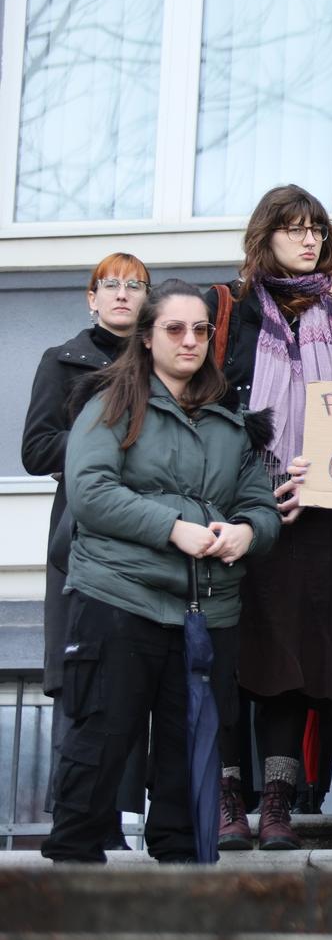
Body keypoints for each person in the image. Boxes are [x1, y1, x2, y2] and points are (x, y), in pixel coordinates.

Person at [40, 280, 281, 863]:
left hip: (207, 616)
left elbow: (261, 508)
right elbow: (91, 492)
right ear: (147, 337)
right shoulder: (110, 403)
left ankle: (179, 889)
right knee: (100, 744)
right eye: (175, 328)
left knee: (187, 758)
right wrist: (174, 527)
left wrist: (246, 533)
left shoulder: (234, 423)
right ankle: (66, 885)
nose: (190, 340)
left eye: (201, 329)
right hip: (119, 601)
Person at [206, 185, 332, 852]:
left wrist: (322, 477)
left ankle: (277, 801)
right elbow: (203, 408)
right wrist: (249, 486)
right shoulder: (229, 310)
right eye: (293, 229)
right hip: (234, 509)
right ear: (264, 235)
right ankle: (224, 795)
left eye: (316, 231)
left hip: (315, 514)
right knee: (222, 658)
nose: (307, 241)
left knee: (292, 662)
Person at [22, 252, 151, 846]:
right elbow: (38, 449)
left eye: (135, 285)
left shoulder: (164, 360)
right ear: (91, 298)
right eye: (110, 285)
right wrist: (106, 432)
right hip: (81, 538)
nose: (122, 294)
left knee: (140, 677)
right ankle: (79, 824)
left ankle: (128, 820)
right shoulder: (63, 362)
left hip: (150, 536)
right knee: (82, 679)